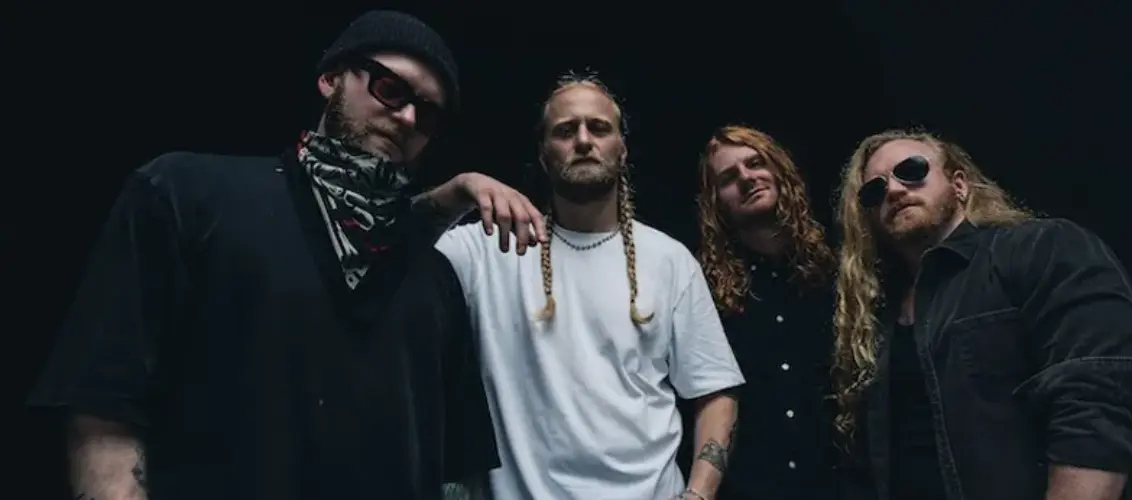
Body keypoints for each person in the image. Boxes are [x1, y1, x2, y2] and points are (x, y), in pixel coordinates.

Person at [29, 10, 546, 500]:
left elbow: (453, 471)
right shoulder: (186, 195)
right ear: (331, 79)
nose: (408, 117)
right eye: (390, 89)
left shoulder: (432, 277)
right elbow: (104, 400)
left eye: (428, 113)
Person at [432, 72, 745, 500]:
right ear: (543, 155)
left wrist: (698, 494)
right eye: (565, 131)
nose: (583, 140)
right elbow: (390, 246)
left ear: (622, 149)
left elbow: (714, 390)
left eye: (598, 128)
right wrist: (460, 188)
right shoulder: (489, 247)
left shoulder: (669, 259)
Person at [829, 128, 1132, 500]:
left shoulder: (1040, 248)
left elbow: (1097, 404)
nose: (895, 190)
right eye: (875, 189)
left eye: (911, 170)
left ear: (959, 185)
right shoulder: (877, 313)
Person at [686, 125, 841, 499]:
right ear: (716, 201)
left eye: (755, 163)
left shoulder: (837, 270)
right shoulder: (702, 292)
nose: (746, 178)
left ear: (779, 170)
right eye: (728, 177)